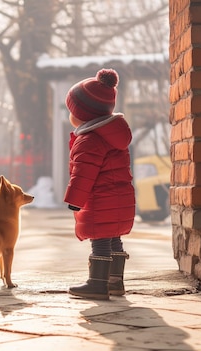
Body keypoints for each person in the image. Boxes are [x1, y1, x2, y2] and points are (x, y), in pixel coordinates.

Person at [63, 68, 136, 300]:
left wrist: (75, 200)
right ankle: (115, 283)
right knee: (114, 236)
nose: (70, 116)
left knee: (101, 241)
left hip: (100, 199)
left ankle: (97, 284)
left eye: (71, 111)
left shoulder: (89, 139)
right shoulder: (113, 135)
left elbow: (83, 174)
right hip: (118, 199)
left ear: (84, 115)